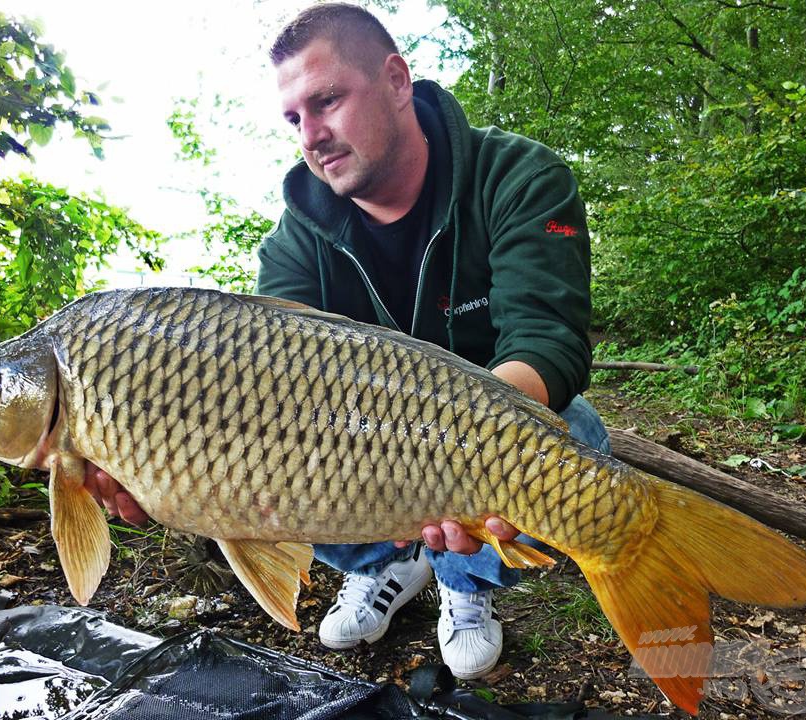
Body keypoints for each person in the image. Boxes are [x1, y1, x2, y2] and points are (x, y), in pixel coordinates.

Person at [86, 2, 610, 681]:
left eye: (327, 100)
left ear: (396, 80)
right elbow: (262, 397)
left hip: (483, 422)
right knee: (253, 456)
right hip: (357, 437)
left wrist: (467, 458)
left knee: (577, 434)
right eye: (294, 118)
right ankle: (386, 564)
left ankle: (464, 581)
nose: (312, 134)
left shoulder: (517, 177)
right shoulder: (295, 239)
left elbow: (548, 341)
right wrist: (154, 470)